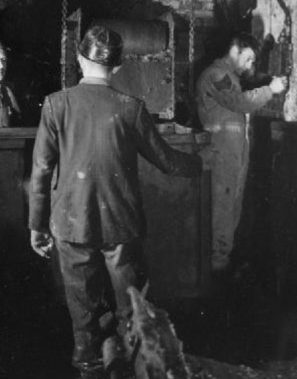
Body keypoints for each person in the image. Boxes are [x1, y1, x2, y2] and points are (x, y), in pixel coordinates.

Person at [28, 25, 202, 379]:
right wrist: (198, 163)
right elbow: (167, 161)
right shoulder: (131, 108)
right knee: (131, 306)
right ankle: (135, 366)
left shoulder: (56, 104)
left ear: (79, 60)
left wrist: (36, 224)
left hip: (71, 221)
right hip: (120, 222)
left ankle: (88, 364)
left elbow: (42, 170)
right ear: (119, 66)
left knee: (83, 307)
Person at [195, 32, 287, 272]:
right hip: (221, 154)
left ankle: (222, 262)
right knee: (222, 210)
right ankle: (216, 268)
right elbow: (239, 103)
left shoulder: (230, 77)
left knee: (232, 207)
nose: (250, 65)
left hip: (233, 154)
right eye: (248, 59)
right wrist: (270, 89)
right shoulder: (216, 75)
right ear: (234, 51)